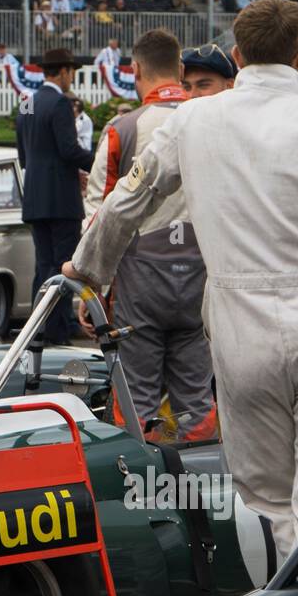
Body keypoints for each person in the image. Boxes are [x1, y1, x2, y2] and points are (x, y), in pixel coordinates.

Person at [62, 0, 298, 564]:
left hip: (241, 333)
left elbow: (129, 198)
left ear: (237, 55)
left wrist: (87, 268)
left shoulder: (193, 120)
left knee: (273, 502)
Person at [79, 28, 217, 444]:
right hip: (202, 277)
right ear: (179, 70)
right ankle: (206, 492)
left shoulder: (123, 128)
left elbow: (100, 216)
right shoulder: (210, 123)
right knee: (196, 399)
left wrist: (87, 291)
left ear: (135, 70)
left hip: (139, 282)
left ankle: (137, 494)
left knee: (135, 398)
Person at [16, 47, 93, 343]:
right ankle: (58, 332)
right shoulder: (60, 103)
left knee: (43, 266)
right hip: (60, 199)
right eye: (71, 72)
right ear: (62, 71)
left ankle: (38, 328)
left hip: (35, 197)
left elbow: (23, 155)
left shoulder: (26, 103)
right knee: (63, 268)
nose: (71, 78)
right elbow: (69, 150)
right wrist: (99, 163)